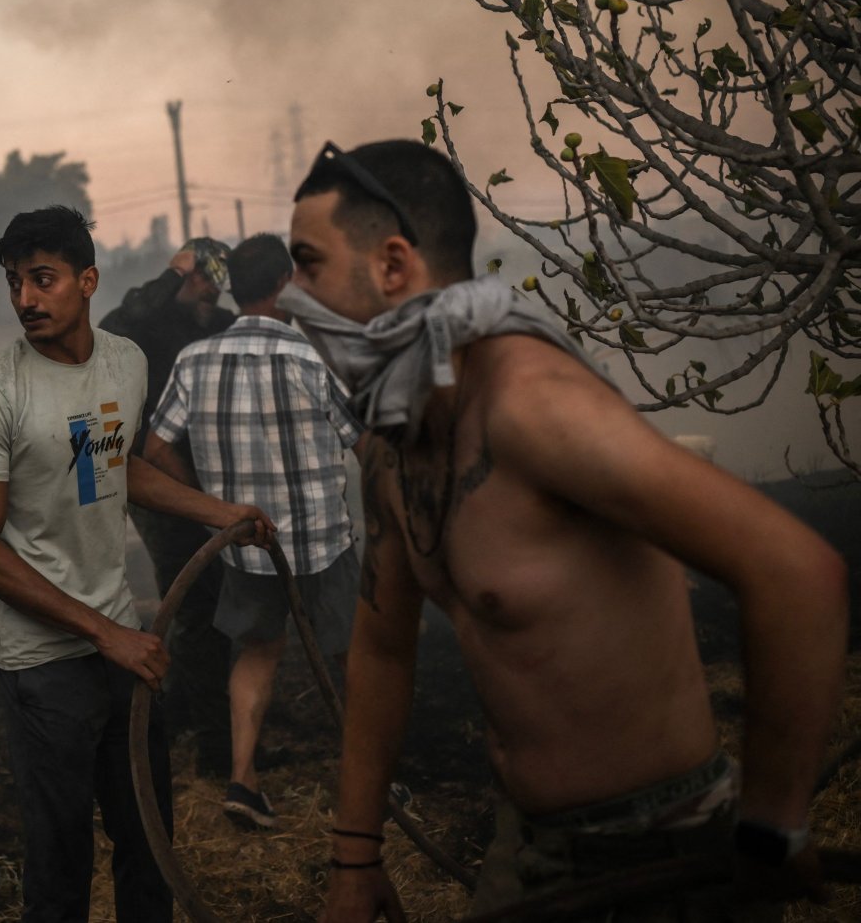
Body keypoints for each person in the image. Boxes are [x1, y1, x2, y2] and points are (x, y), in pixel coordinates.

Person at [282, 140, 847, 921]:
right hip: (531, 845)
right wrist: (354, 855)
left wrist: (771, 827)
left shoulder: (534, 406)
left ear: (393, 265)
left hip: (670, 859)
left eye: (308, 264)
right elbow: (382, 649)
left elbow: (796, 572)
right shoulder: (391, 445)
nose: (290, 297)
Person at [0, 206, 275, 923]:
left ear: (87, 280)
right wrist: (104, 633)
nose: (26, 299)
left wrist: (220, 512)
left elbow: (115, 467)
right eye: (14, 283)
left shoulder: (124, 362)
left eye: (43, 278)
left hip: (121, 648)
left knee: (147, 842)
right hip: (43, 663)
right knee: (61, 863)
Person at [142, 233, 362, 832]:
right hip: (322, 540)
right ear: (285, 285)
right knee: (351, 657)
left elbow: (154, 446)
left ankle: (243, 779)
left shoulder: (194, 360)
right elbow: (363, 441)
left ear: (235, 288)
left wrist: (211, 506)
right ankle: (373, 783)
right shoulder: (309, 357)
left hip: (246, 544)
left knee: (257, 652)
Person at [99, 236, 238, 774]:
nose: (206, 288)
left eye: (212, 280)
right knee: (194, 599)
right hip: (154, 477)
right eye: (197, 277)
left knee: (206, 601)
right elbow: (114, 325)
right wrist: (169, 275)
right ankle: (214, 748)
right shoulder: (148, 320)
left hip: (211, 477)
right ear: (183, 275)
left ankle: (179, 712)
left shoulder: (213, 324)